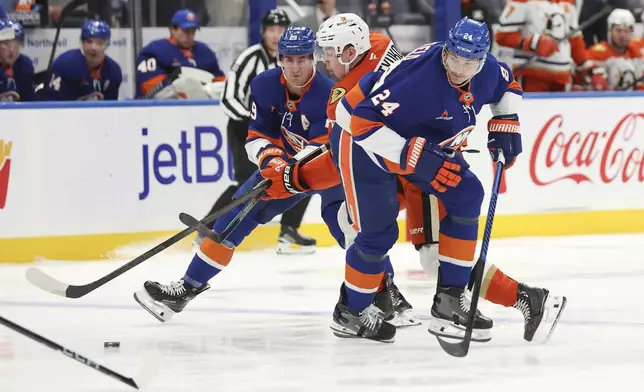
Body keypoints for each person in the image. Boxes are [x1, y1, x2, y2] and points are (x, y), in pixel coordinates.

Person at [326, 17, 567, 342]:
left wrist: (505, 120)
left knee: (467, 194)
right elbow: (358, 121)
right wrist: (409, 154)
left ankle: (450, 300)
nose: (460, 69)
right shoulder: (417, 80)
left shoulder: (487, 70)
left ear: (481, 60)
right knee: (378, 235)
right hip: (368, 152)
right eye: (454, 58)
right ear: (445, 52)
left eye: (469, 62)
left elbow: (508, 86)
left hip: (426, 148)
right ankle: (350, 312)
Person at [133, 26, 348, 322]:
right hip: (284, 166)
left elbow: (323, 146)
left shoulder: (329, 93)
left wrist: (286, 170)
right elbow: (259, 133)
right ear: (279, 59)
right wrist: (270, 160)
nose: (295, 67)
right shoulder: (264, 85)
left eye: (302, 59)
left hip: (332, 170)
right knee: (231, 222)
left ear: (313, 59)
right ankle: (186, 289)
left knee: (346, 227)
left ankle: (384, 292)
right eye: (288, 59)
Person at [315, 13, 420, 327]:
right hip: (408, 152)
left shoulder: (342, 97)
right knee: (356, 223)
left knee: (360, 226)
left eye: (330, 53)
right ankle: (384, 290)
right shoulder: (378, 42)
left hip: (398, 159)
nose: (323, 61)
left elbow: (343, 120)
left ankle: (378, 292)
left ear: (350, 52)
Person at [200, 9, 318, 255]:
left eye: (281, 31)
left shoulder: (295, 62)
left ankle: (288, 230)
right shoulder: (250, 57)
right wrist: (250, 122)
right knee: (245, 181)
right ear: (262, 32)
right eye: (271, 30)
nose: (275, 36)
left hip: (284, 130)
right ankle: (207, 228)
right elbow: (229, 97)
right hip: (247, 128)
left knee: (304, 170)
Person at [496, 0, 607, 92]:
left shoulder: (569, 3)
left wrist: (588, 68)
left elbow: (574, 40)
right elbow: (502, 35)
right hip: (531, 76)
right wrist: (533, 42)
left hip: (562, 79)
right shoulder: (523, 1)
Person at [135, 9, 224, 99]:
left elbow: (221, 83)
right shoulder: (153, 50)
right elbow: (152, 90)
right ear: (173, 29)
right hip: (158, 109)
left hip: (200, 107)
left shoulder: (205, 52)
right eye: (186, 30)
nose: (190, 34)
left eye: (193, 30)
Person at [47, 19, 122, 101]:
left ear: (107, 45)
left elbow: (111, 108)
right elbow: (54, 105)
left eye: (99, 43)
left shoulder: (113, 71)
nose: (93, 48)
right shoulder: (63, 65)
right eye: (89, 42)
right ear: (82, 42)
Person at [584, 8, 644, 90]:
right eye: (618, 30)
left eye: (626, 31)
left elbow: (640, 86)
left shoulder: (635, 53)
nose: (622, 35)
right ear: (610, 30)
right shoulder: (596, 53)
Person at [0, 19, 34, 101]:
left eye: (16, 44)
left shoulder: (25, 66)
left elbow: (30, 103)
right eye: (6, 43)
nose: (12, 49)